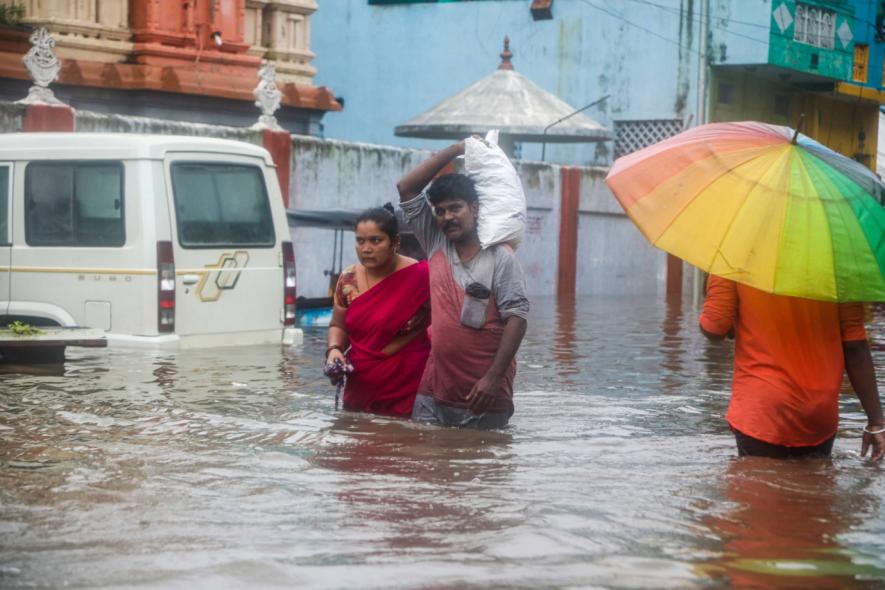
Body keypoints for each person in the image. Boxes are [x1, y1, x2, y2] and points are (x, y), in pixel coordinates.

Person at [397, 141, 529, 429]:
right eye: (440, 211)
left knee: (481, 470)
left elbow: (517, 319)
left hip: (484, 395)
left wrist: (493, 378)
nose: (447, 217)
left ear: (475, 208)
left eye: (455, 208)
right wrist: (456, 149)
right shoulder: (435, 243)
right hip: (433, 390)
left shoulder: (499, 257)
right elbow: (406, 188)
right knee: (426, 466)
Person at [699, 274, 885, 460]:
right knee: (814, 485)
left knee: (759, 485)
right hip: (819, 409)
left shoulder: (734, 257)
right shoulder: (837, 263)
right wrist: (876, 421)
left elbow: (715, 328)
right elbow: (855, 348)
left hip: (763, 409)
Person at [325, 204, 430, 418]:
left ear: (396, 242)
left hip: (409, 384)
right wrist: (334, 350)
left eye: (376, 240)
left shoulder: (421, 277)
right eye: (360, 241)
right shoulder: (348, 280)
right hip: (360, 386)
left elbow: (442, 323)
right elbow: (338, 324)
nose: (366, 248)